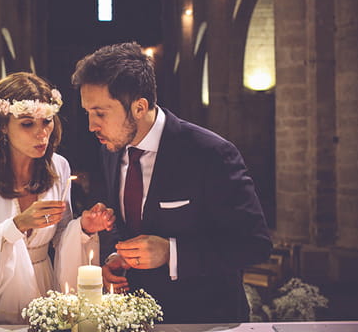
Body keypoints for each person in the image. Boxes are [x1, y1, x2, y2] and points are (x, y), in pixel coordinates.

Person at [71, 42, 272, 323]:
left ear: (139, 107)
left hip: (204, 319)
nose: (92, 126)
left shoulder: (210, 154)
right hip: (133, 317)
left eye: (100, 113)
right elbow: (125, 223)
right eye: (88, 113)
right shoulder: (111, 150)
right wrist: (116, 256)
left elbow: (254, 244)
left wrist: (171, 252)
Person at [0, 72, 115, 324]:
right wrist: (16, 226)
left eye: (47, 121)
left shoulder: (58, 166)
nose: (41, 134)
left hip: (41, 290)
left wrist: (84, 227)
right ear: (3, 125)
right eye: (28, 124)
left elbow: (61, 237)